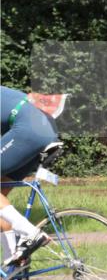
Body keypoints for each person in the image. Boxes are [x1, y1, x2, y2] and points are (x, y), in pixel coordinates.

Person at [1, 85, 59, 267]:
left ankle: (30, 232)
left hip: (29, 130)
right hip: (44, 131)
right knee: (2, 203)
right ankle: (13, 270)